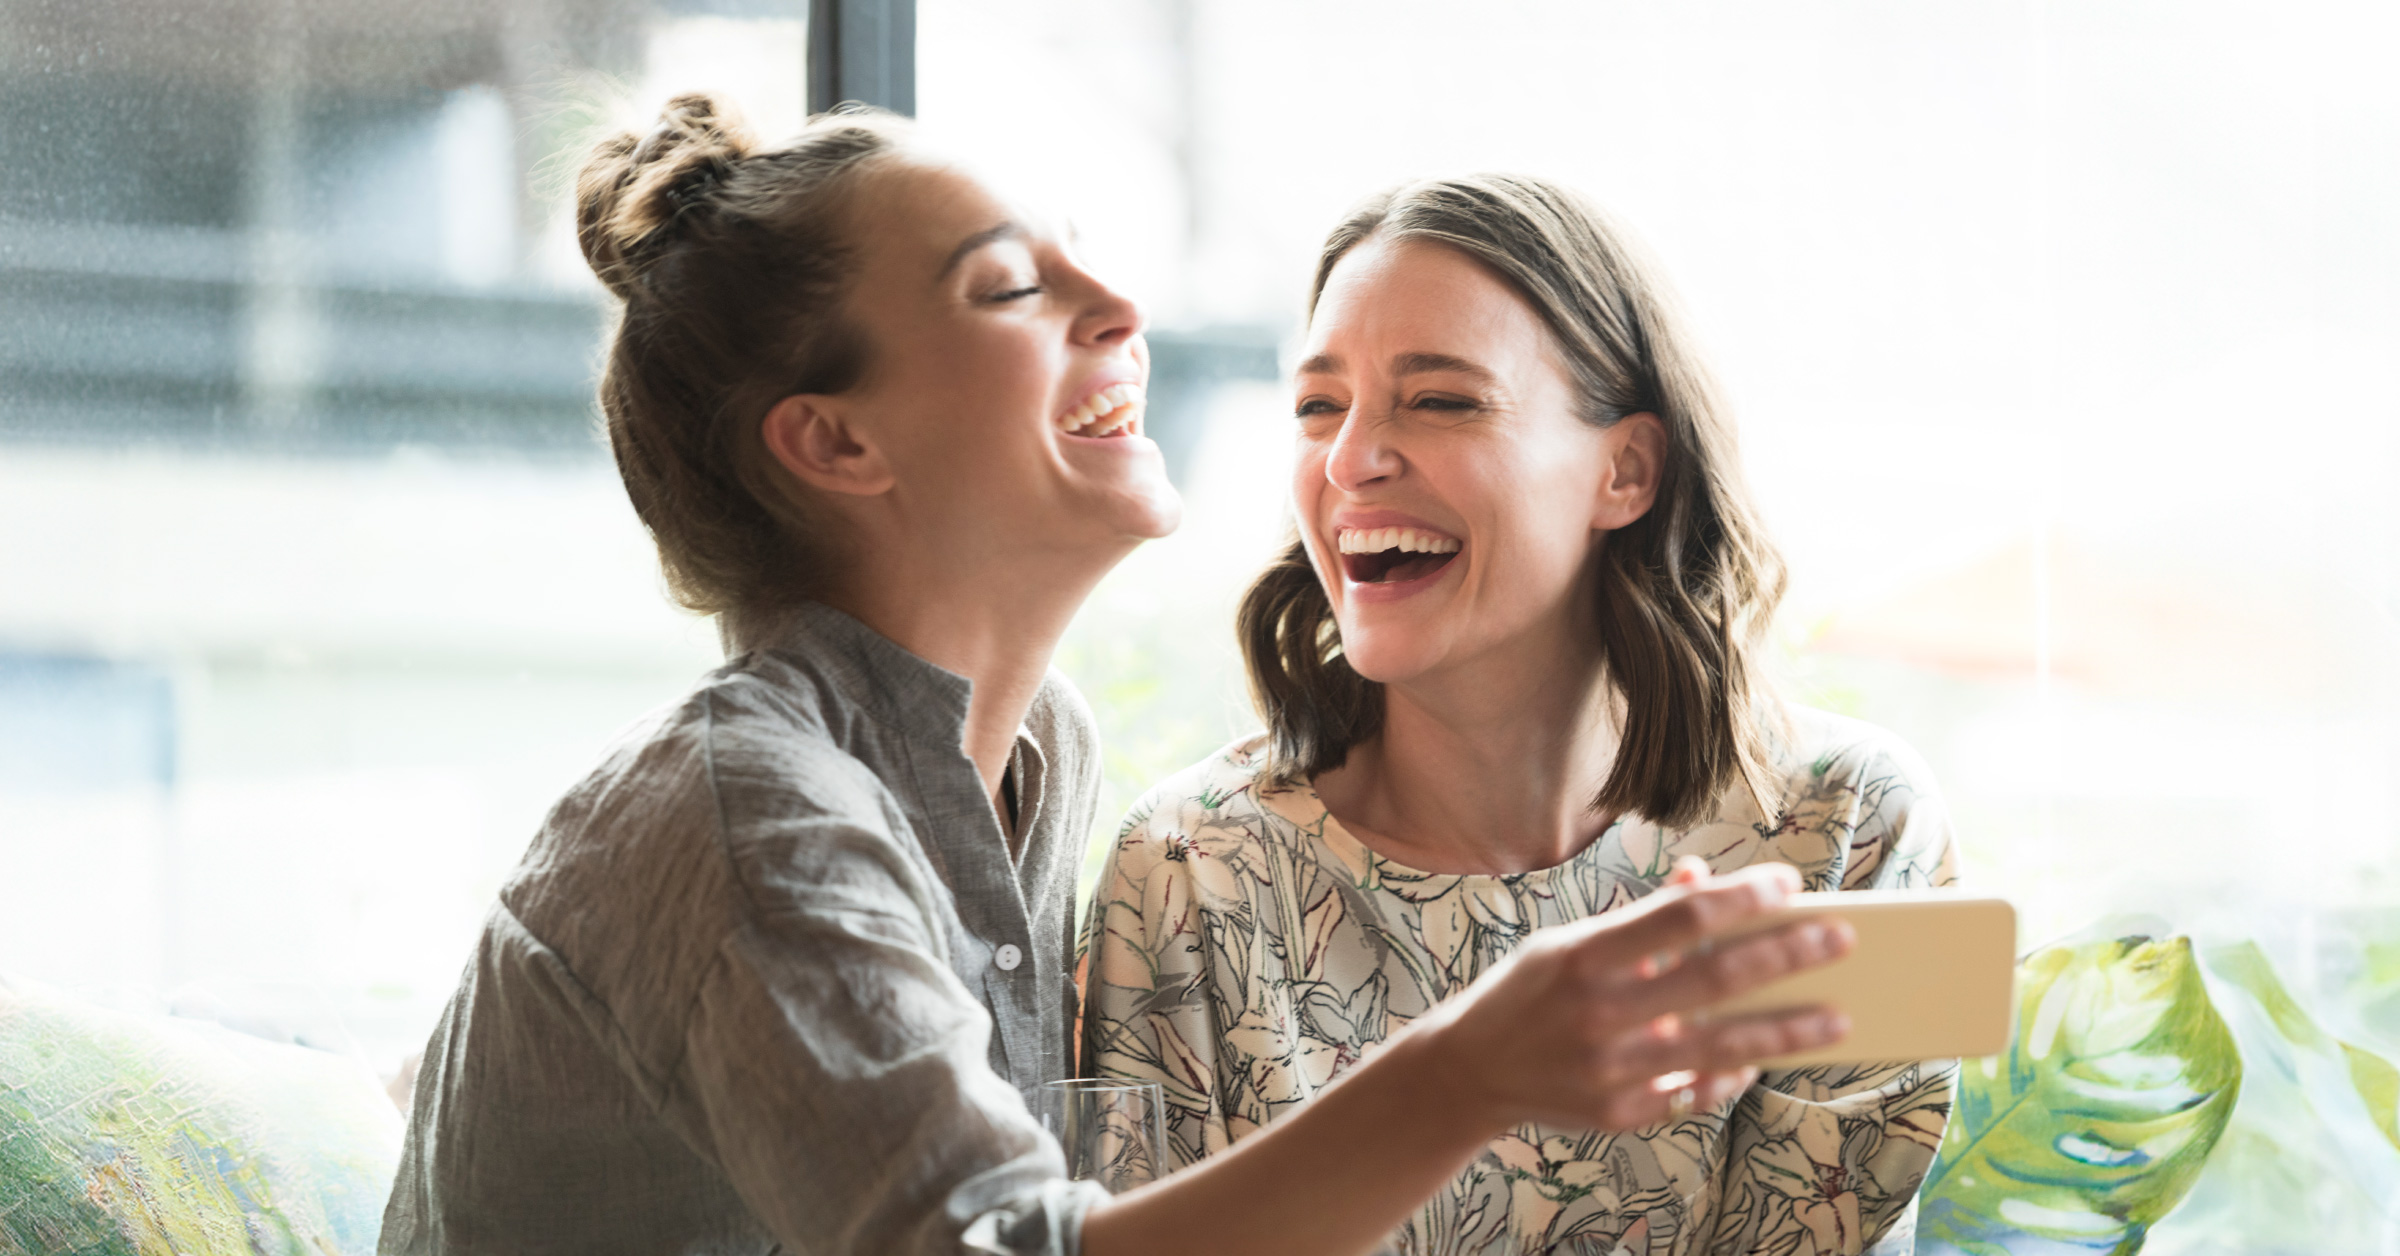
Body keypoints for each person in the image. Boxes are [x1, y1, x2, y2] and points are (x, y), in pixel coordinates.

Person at [383, 97, 1857, 1256]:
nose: (1118, 305)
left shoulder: (1035, 759)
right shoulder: (753, 816)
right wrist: (1463, 1075)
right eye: (1016, 286)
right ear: (838, 444)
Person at [1081, 174, 1961, 1256]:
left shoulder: (1859, 830)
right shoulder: (1180, 866)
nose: (1350, 457)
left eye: (1441, 399)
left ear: (1626, 468)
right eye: (1319, 405)